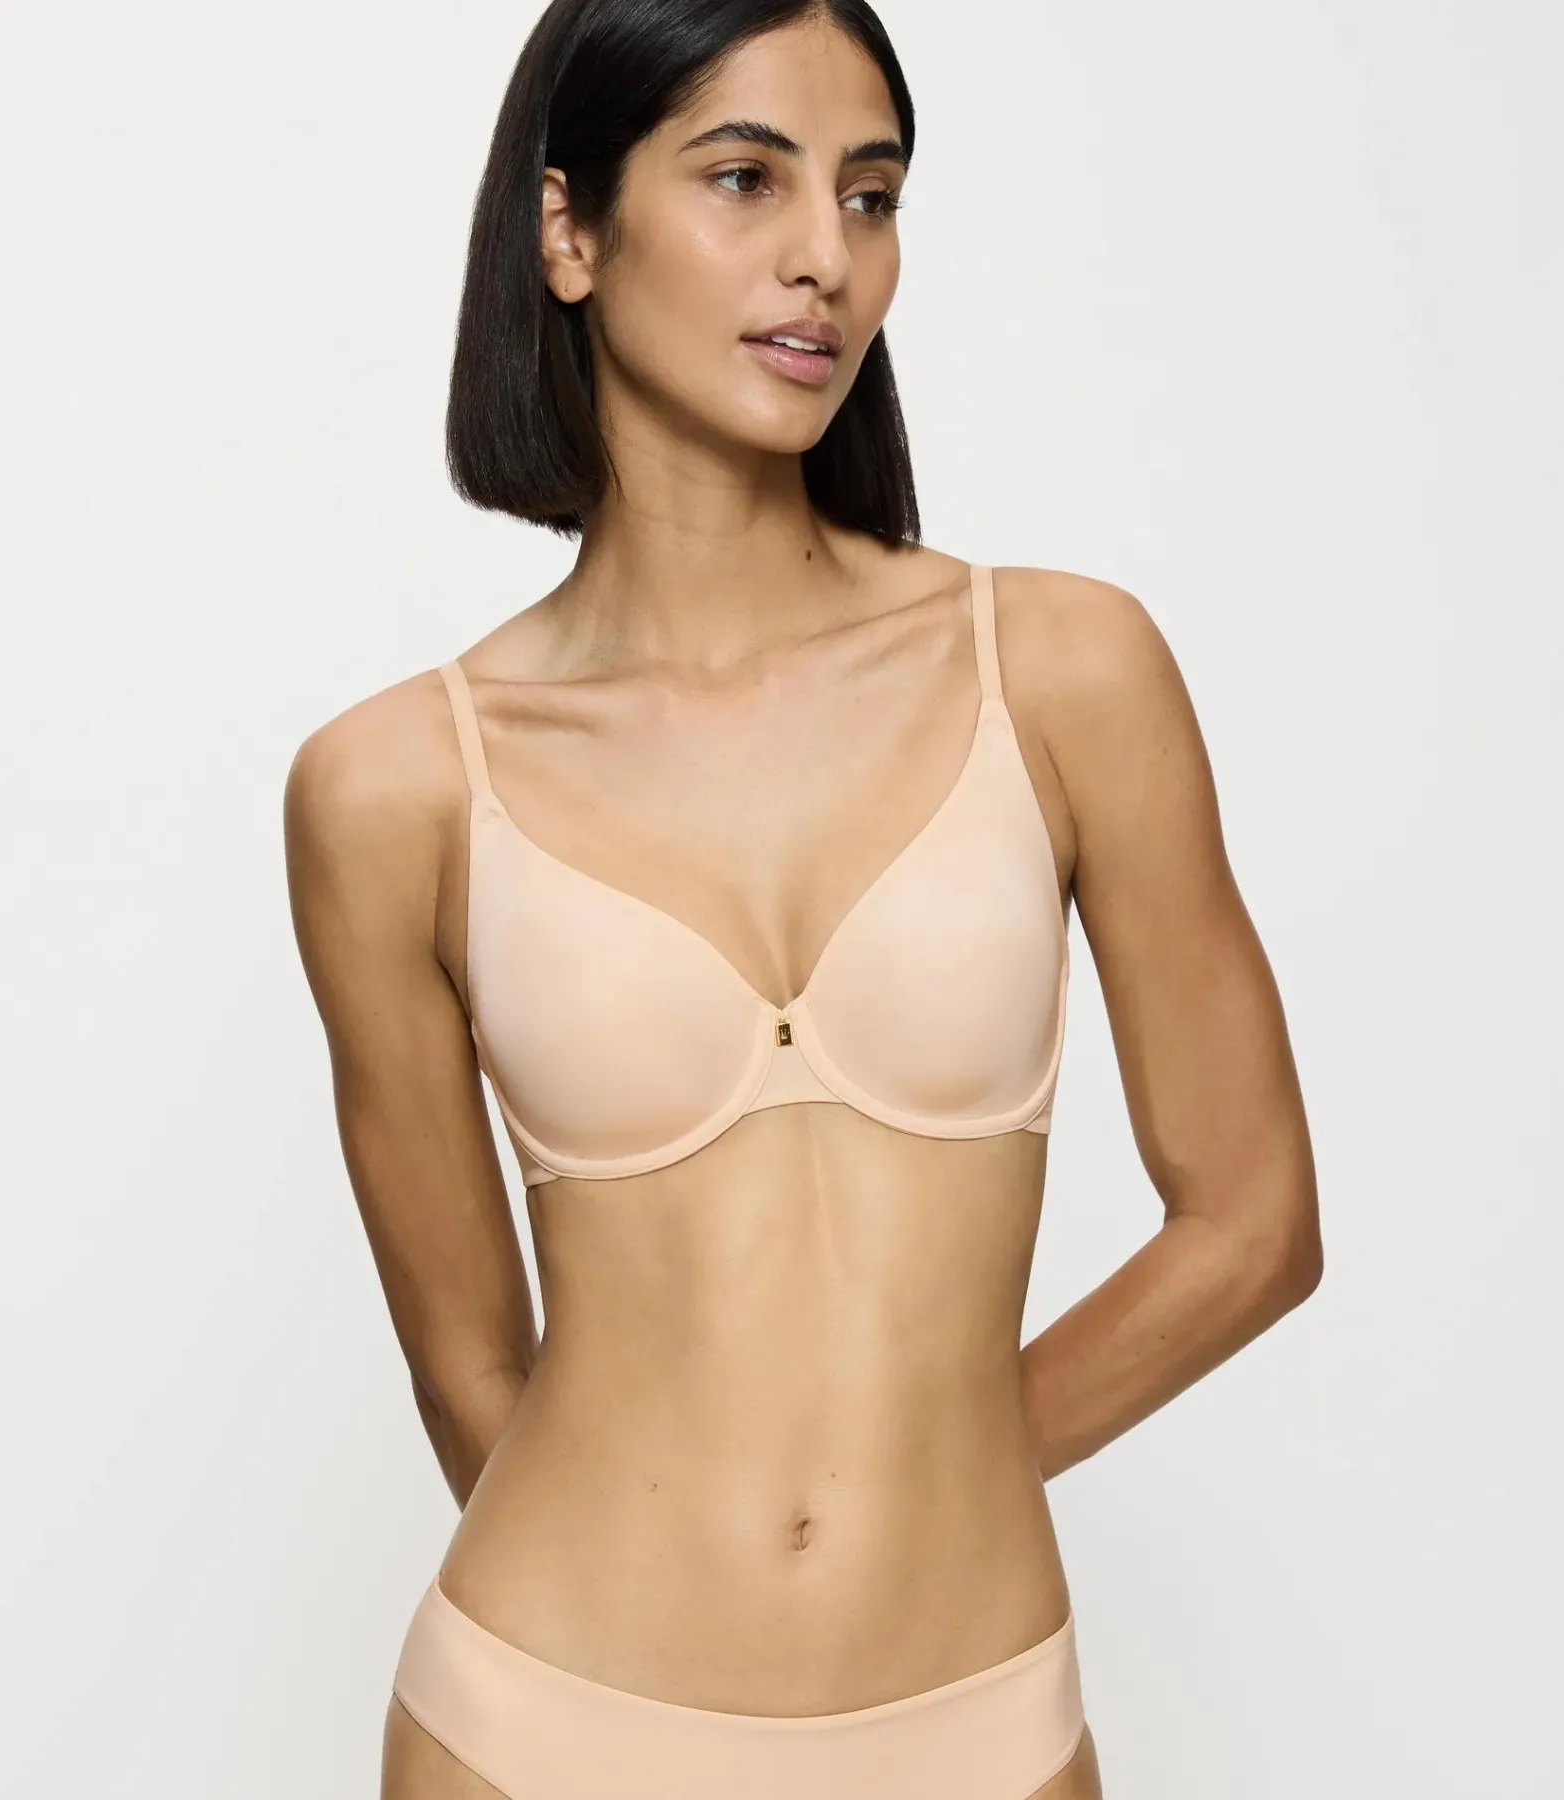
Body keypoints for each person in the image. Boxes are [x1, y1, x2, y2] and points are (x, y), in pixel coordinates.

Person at [283, 3, 1322, 1795]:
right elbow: (468, 1375)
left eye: (871, 194)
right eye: (744, 178)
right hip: (539, 1723)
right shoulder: (393, 790)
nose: (825, 258)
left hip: (974, 1721)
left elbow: (1255, 1224)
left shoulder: (1062, 671)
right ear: (568, 231)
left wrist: (933, 1470)